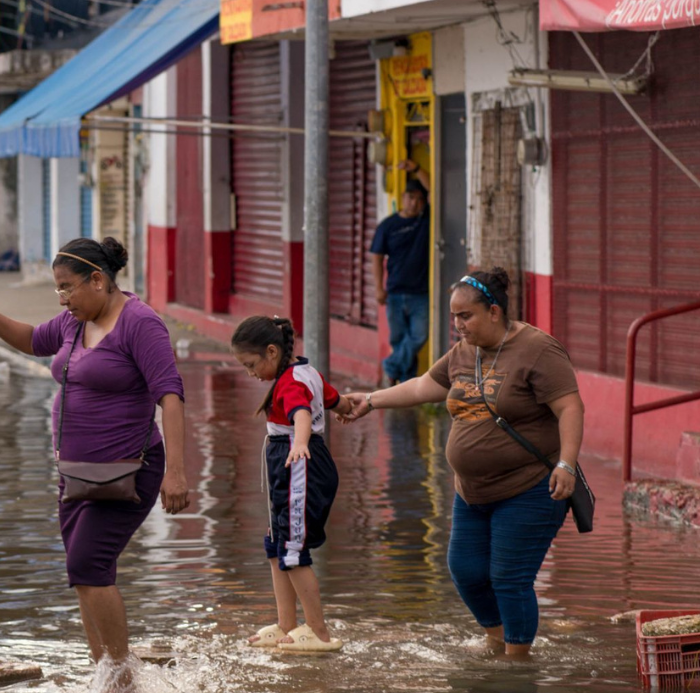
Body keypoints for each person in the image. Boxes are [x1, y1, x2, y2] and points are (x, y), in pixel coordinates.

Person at [0, 237, 190, 684]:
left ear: (97, 280)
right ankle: (104, 671)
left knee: (89, 565)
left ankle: (121, 675)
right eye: (57, 290)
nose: (62, 298)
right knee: (82, 574)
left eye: (67, 288)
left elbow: (171, 396)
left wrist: (175, 472)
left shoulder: (140, 324)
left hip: (130, 470)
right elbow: (33, 339)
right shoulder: (74, 321)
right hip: (77, 474)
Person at [338, 267, 584, 657]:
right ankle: (497, 641)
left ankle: (517, 666)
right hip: (471, 493)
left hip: (528, 488)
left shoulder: (538, 349)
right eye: (454, 316)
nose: (458, 325)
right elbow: (424, 386)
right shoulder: (463, 352)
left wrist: (566, 464)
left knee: (509, 578)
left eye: (465, 315)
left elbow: (570, 406)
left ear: (494, 311)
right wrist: (370, 400)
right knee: (467, 572)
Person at [230, 316, 352, 653]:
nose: (250, 373)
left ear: (272, 351)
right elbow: (333, 398)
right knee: (277, 542)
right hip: (286, 465)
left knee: (293, 549)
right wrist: (346, 408)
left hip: (299, 464)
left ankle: (318, 631)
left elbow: (301, 413)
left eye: (251, 365)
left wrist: (300, 444)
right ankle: (286, 624)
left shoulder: (291, 382)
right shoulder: (305, 371)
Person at [371, 159, 431, 384]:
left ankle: (390, 366)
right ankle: (407, 380)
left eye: (419, 199)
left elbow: (434, 190)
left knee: (418, 336)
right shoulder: (388, 226)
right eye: (410, 197)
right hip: (394, 292)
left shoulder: (425, 221)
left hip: (421, 293)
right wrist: (378, 288)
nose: (414, 203)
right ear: (402, 198)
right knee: (398, 339)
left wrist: (416, 168)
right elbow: (376, 257)